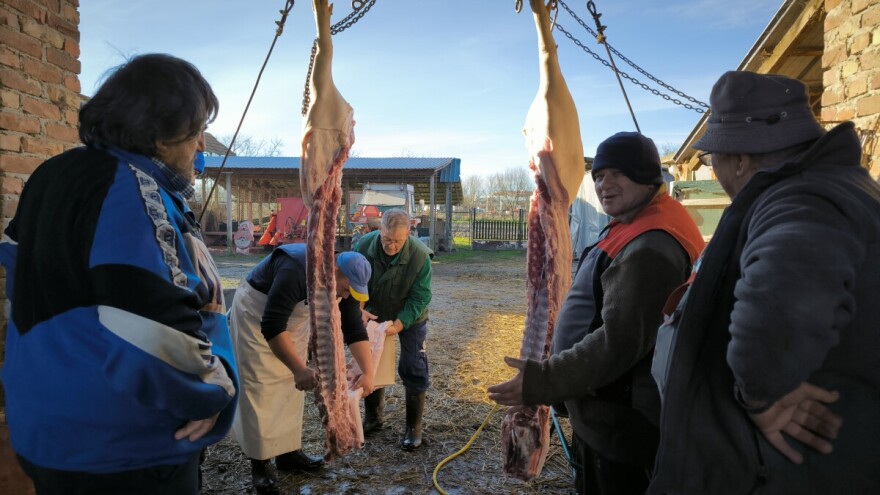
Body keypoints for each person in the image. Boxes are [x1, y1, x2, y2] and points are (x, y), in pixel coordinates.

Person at [0, 53, 238, 494]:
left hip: (49, 430)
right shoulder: (130, 189)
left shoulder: (53, 174)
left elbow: (21, 278)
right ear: (158, 131)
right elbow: (152, 336)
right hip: (124, 449)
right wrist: (213, 390)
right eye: (196, 128)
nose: (202, 144)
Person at [649, 71, 880, 494]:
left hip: (799, 468)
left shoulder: (800, 199)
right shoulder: (836, 186)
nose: (713, 169)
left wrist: (760, 394)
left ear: (739, 159)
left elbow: (784, 305)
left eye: (711, 158)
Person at [488, 132, 704, 494]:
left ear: (647, 175)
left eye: (618, 173)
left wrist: (543, 380)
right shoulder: (638, 222)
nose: (605, 184)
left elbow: (616, 343)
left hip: (623, 422)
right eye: (600, 176)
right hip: (607, 414)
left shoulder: (652, 244)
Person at [229, 244, 376, 495]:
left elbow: (353, 327)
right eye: (346, 290)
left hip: (292, 320)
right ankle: (261, 466)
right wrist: (299, 368)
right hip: (256, 315)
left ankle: (287, 455)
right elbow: (272, 325)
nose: (347, 296)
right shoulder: (296, 269)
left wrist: (368, 372)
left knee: (290, 389)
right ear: (336, 271)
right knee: (260, 389)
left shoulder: (344, 282)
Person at [353, 209, 433, 451]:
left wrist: (399, 324)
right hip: (374, 312)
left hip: (410, 315)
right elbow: (355, 283)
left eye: (398, 241)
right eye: (387, 239)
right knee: (371, 362)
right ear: (380, 231)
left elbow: (421, 297)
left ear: (409, 233)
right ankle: (374, 418)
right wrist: (359, 310)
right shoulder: (364, 246)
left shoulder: (420, 256)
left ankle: (413, 427)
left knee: (412, 365)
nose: (391, 245)